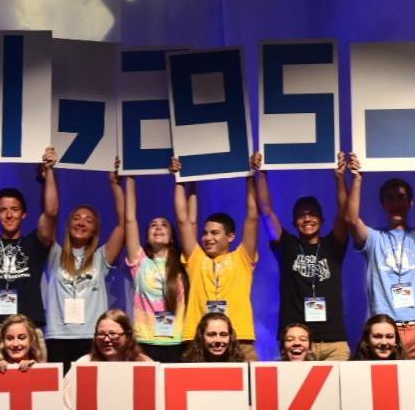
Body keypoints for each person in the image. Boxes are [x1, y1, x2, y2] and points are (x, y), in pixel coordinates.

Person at [0, 145, 57, 364]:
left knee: (39, 387)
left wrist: (50, 171)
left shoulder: (35, 243)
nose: (9, 214)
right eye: (3, 210)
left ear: (24, 214)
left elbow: (51, 213)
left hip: (30, 335)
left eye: (14, 209)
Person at [346, 150, 415, 359]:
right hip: (385, 331)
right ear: (383, 204)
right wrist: (357, 179)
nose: (395, 203)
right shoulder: (374, 238)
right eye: (390, 198)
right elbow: (351, 220)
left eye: (401, 198)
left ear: (410, 203)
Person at [254, 151, 350, 360]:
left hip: (333, 341)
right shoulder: (287, 246)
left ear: (322, 220)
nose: (307, 219)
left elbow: (344, 213)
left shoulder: (333, 245)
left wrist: (340, 178)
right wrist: (261, 174)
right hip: (296, 341)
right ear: (294, 222)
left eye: (312, 214)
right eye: (301, 215)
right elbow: (266, 212)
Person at [174, 158, 260, 362]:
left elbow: (252, 217)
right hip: (198, 339)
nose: (207, 238)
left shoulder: (242, 258)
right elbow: (182, 221)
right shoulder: (197, 260)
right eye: (205, 233)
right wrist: (178, 179)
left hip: (239, 337)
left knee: (249, 383)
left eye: (214, 233)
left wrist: (250, 176)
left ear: (230, 237)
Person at [42, 164, 126, 370]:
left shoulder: (100, 257)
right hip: (58, 337)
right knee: (60, 389)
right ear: (69, 224)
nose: (81, 223)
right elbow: (50, 214)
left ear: (95, 229)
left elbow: (124, 225)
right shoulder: (54, 253)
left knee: (91, 389)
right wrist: (49, 176)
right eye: (76, 218)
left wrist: (115, 186)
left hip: (91, 337)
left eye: (88, 220)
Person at [124, 173, 188, 363]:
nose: (158, 228)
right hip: (145, 341)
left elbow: (186, 220)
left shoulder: (183, 262)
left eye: (164, 225)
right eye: (153, 225)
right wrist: (130, 176)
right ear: (147, 237)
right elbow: (130, 219)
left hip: (177, 341)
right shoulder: (140, 261)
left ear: (172, 237)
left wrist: (182, 178)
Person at [64, 310, 152, 410]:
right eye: (101, 334)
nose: (106, 339)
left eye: (113, 334)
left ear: (128, 335)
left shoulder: (145, 365)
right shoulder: (83, 364)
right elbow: (65, 408)